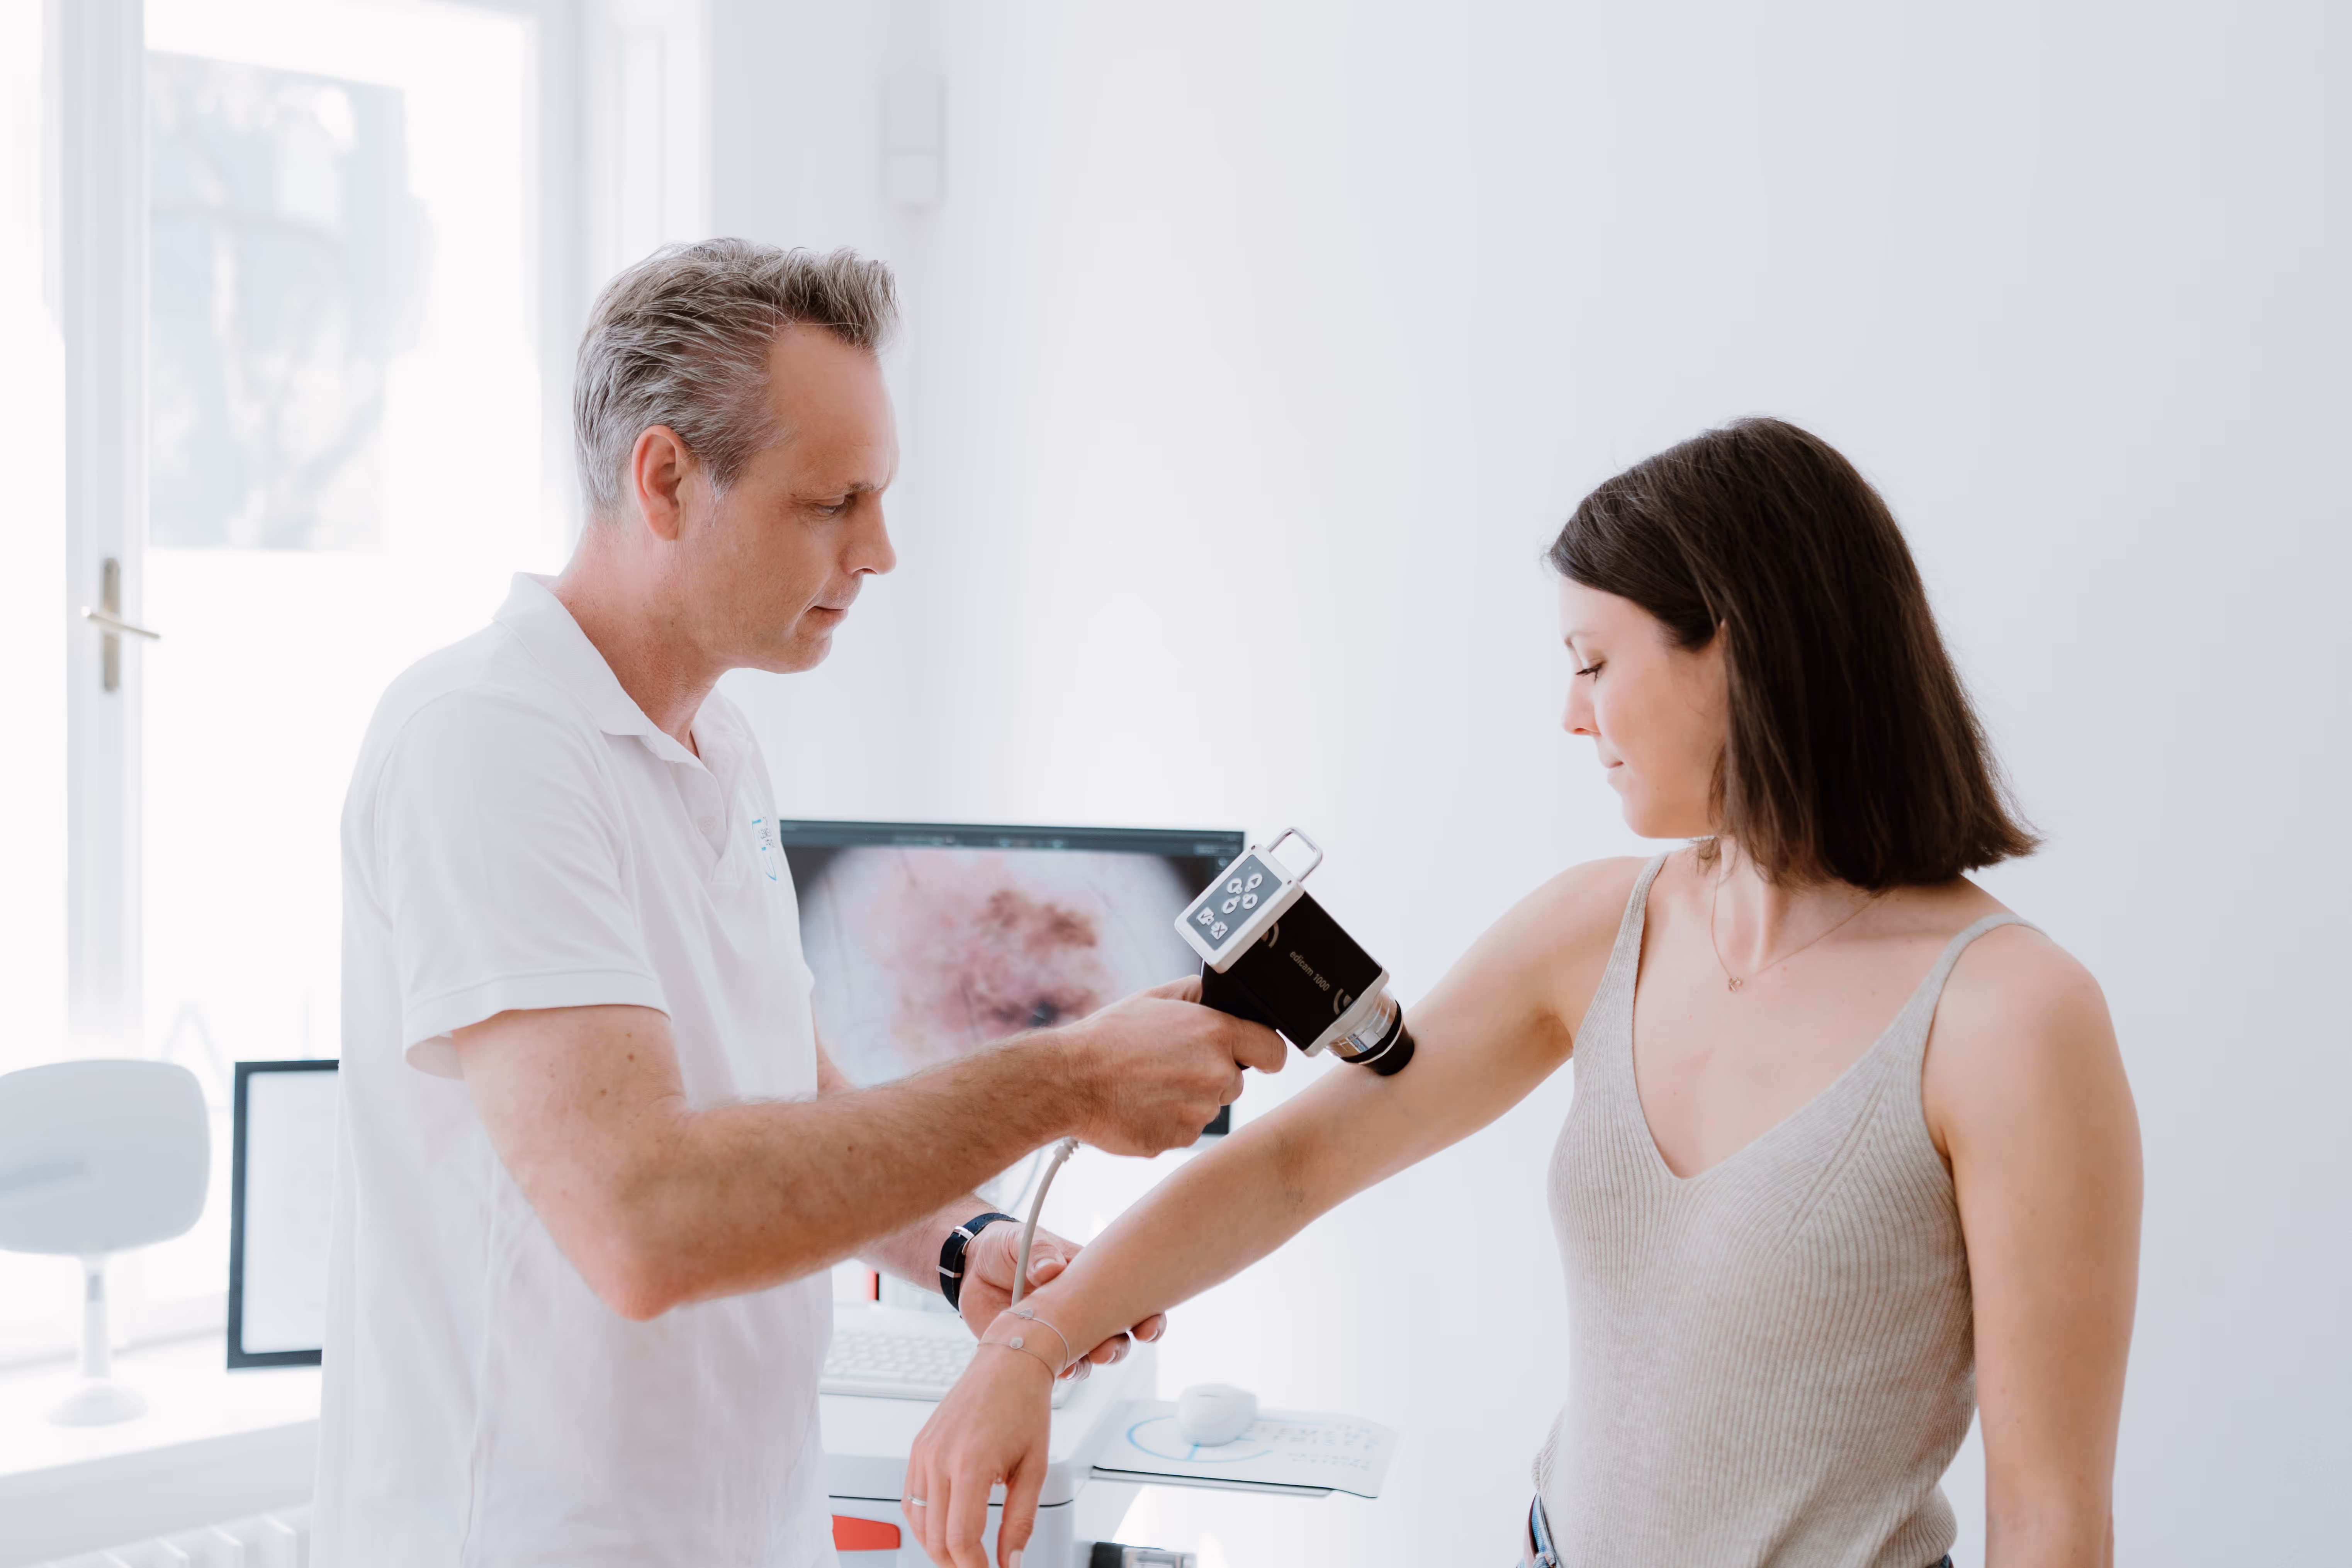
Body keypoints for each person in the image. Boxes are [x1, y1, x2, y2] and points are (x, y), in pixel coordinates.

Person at [903, 418, 2143, 1568]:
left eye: (1595, 661)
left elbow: (2049, 1515)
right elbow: (1300, 1165)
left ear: (1740, 648)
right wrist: (1030, 1347)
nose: (1570, 715)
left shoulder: (2010, 1018)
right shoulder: (1598, 928)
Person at [313, 240, 1285, 1567]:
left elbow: (781, 1090)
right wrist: (1066, 1079)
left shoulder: (722, 747)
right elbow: (647, 1222)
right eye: (834, 501)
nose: (879, 553)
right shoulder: (484, 746)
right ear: (665, 480)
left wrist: (960, 1244)